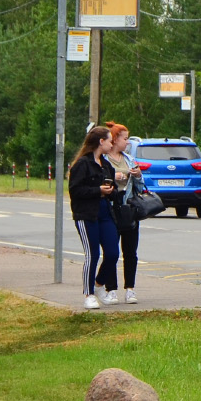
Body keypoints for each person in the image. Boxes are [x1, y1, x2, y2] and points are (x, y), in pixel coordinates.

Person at [68, 126, 119, 310]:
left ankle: (99, 285)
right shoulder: (82, 164)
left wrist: (111, 191)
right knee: (92, 254)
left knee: (113, 253)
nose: (112, 143)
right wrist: (97, 190)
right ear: (101, 142)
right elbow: (75, 190)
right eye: (110, 140)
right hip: (87, 214)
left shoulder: (106, 165)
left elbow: (113, 191)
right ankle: (88, 294)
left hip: (105, 213)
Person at [105, 121, 142, 304]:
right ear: (114, 139)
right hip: (110, 209)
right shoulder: (103, 160)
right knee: (111, 252)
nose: (127, 143)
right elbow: (97, 180)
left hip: (128, 210)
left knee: (130, 251)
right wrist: (113, 177)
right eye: (125, 139)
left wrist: (138, 175)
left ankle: (130, 289)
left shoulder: (129, 159)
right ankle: (111, 289)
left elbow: (140, 187)